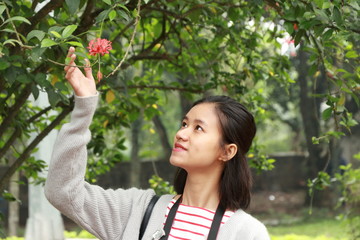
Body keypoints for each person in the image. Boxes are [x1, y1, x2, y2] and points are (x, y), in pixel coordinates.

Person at [44, 47, 270, 240]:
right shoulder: (138, 211)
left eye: (198, 128)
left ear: (227, 151)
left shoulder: (247, 233)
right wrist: (84, 107)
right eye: (184, 124)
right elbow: (63, 192)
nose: (181, 134)